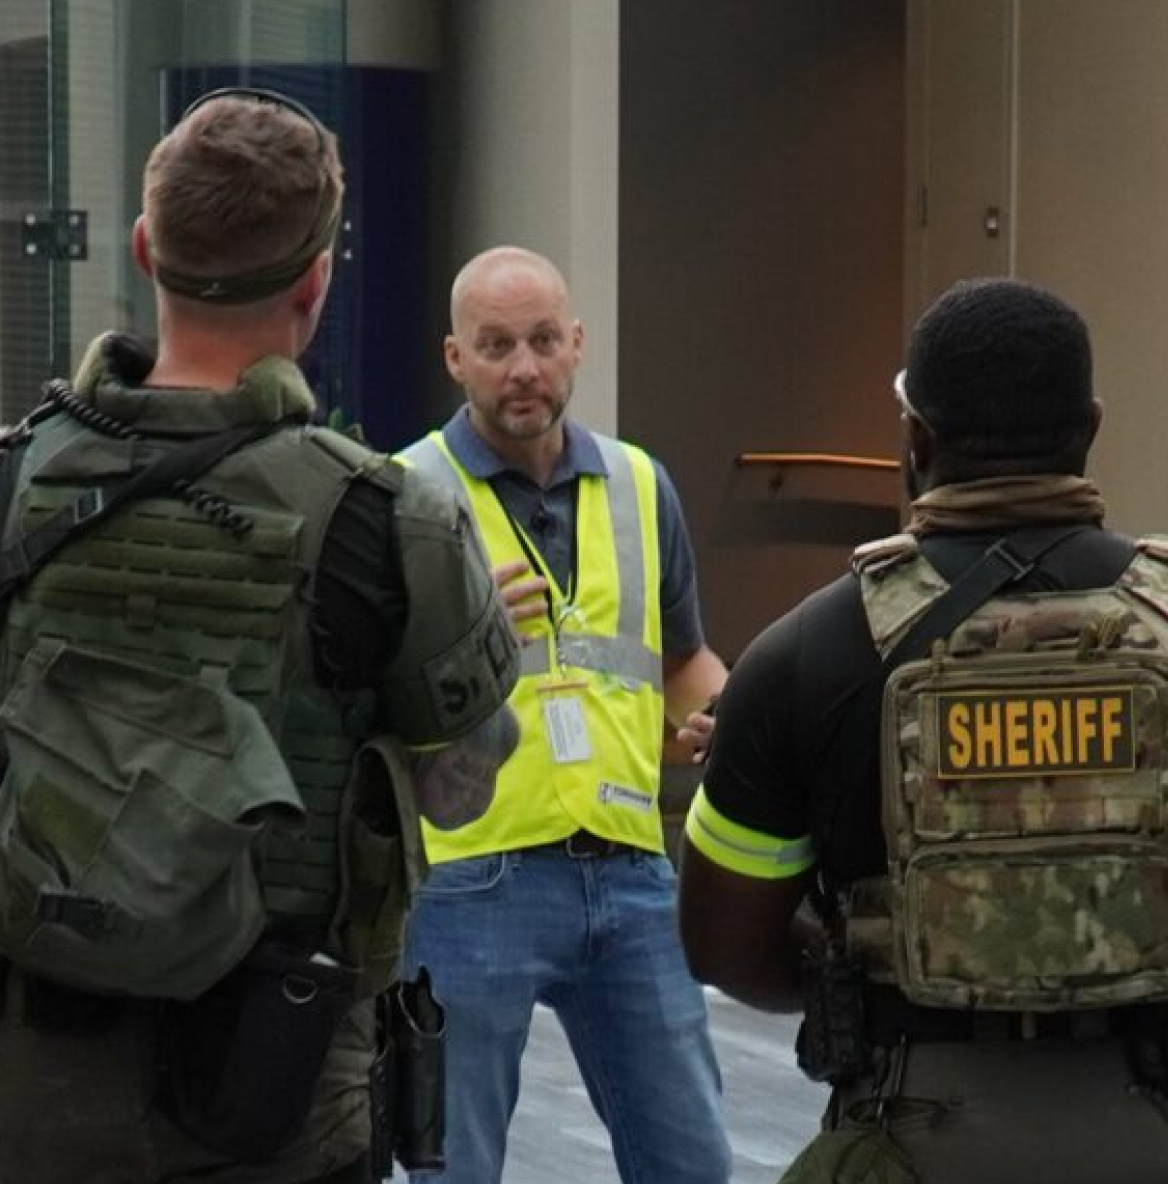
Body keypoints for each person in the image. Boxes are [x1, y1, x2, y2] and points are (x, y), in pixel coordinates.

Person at [0, 90, 520, 1184]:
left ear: (145, 248)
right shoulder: (390, 518)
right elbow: (459, 789)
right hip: (274, 1093)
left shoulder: (15, 482)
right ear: (317, 279)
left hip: (33, 1094)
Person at [678, 276, 1168, 1184]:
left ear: (915, 439)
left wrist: (860, 967)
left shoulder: (801, 656)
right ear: (1091, 428)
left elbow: (724, 946)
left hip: (909, 1130)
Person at [397, 245, 734, 1184]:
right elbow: (358, 693)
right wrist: (466, 639)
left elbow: (682, 658)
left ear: (577, 344)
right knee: (448, 1168)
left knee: (693, 1163)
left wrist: (722, 716)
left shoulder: (639, 484)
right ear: (455, 358)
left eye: (543, 341)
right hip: (468, 875)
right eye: (496, 345)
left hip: (629, 872)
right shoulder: (404, 494)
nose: (524, 368)